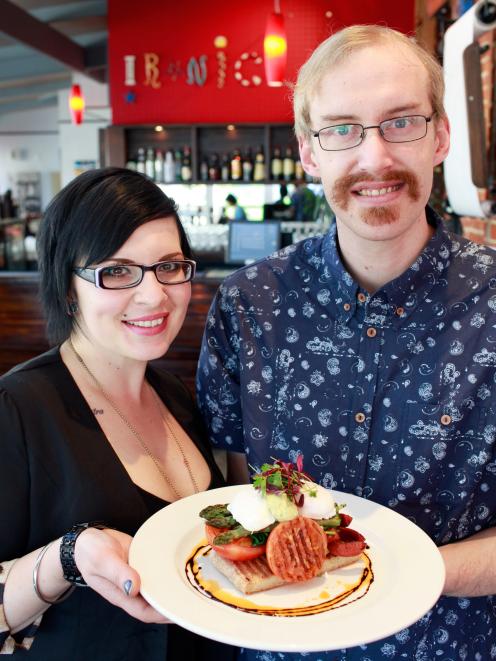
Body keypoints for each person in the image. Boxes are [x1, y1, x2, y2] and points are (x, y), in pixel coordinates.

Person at [197, 24, 496, 660]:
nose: (375, 158)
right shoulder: (248, 304)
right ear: (309, 152)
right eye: (343, 129)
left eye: (401, 122)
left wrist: (399, 576)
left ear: (440, 136)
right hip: (281, 648)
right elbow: (232, 493)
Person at [0, 167, 234, 660]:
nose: (154, 295)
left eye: (169, 266)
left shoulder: (176, 398)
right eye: (117, 271)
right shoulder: (18, 410)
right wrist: (68, 557)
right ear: (68, 287)